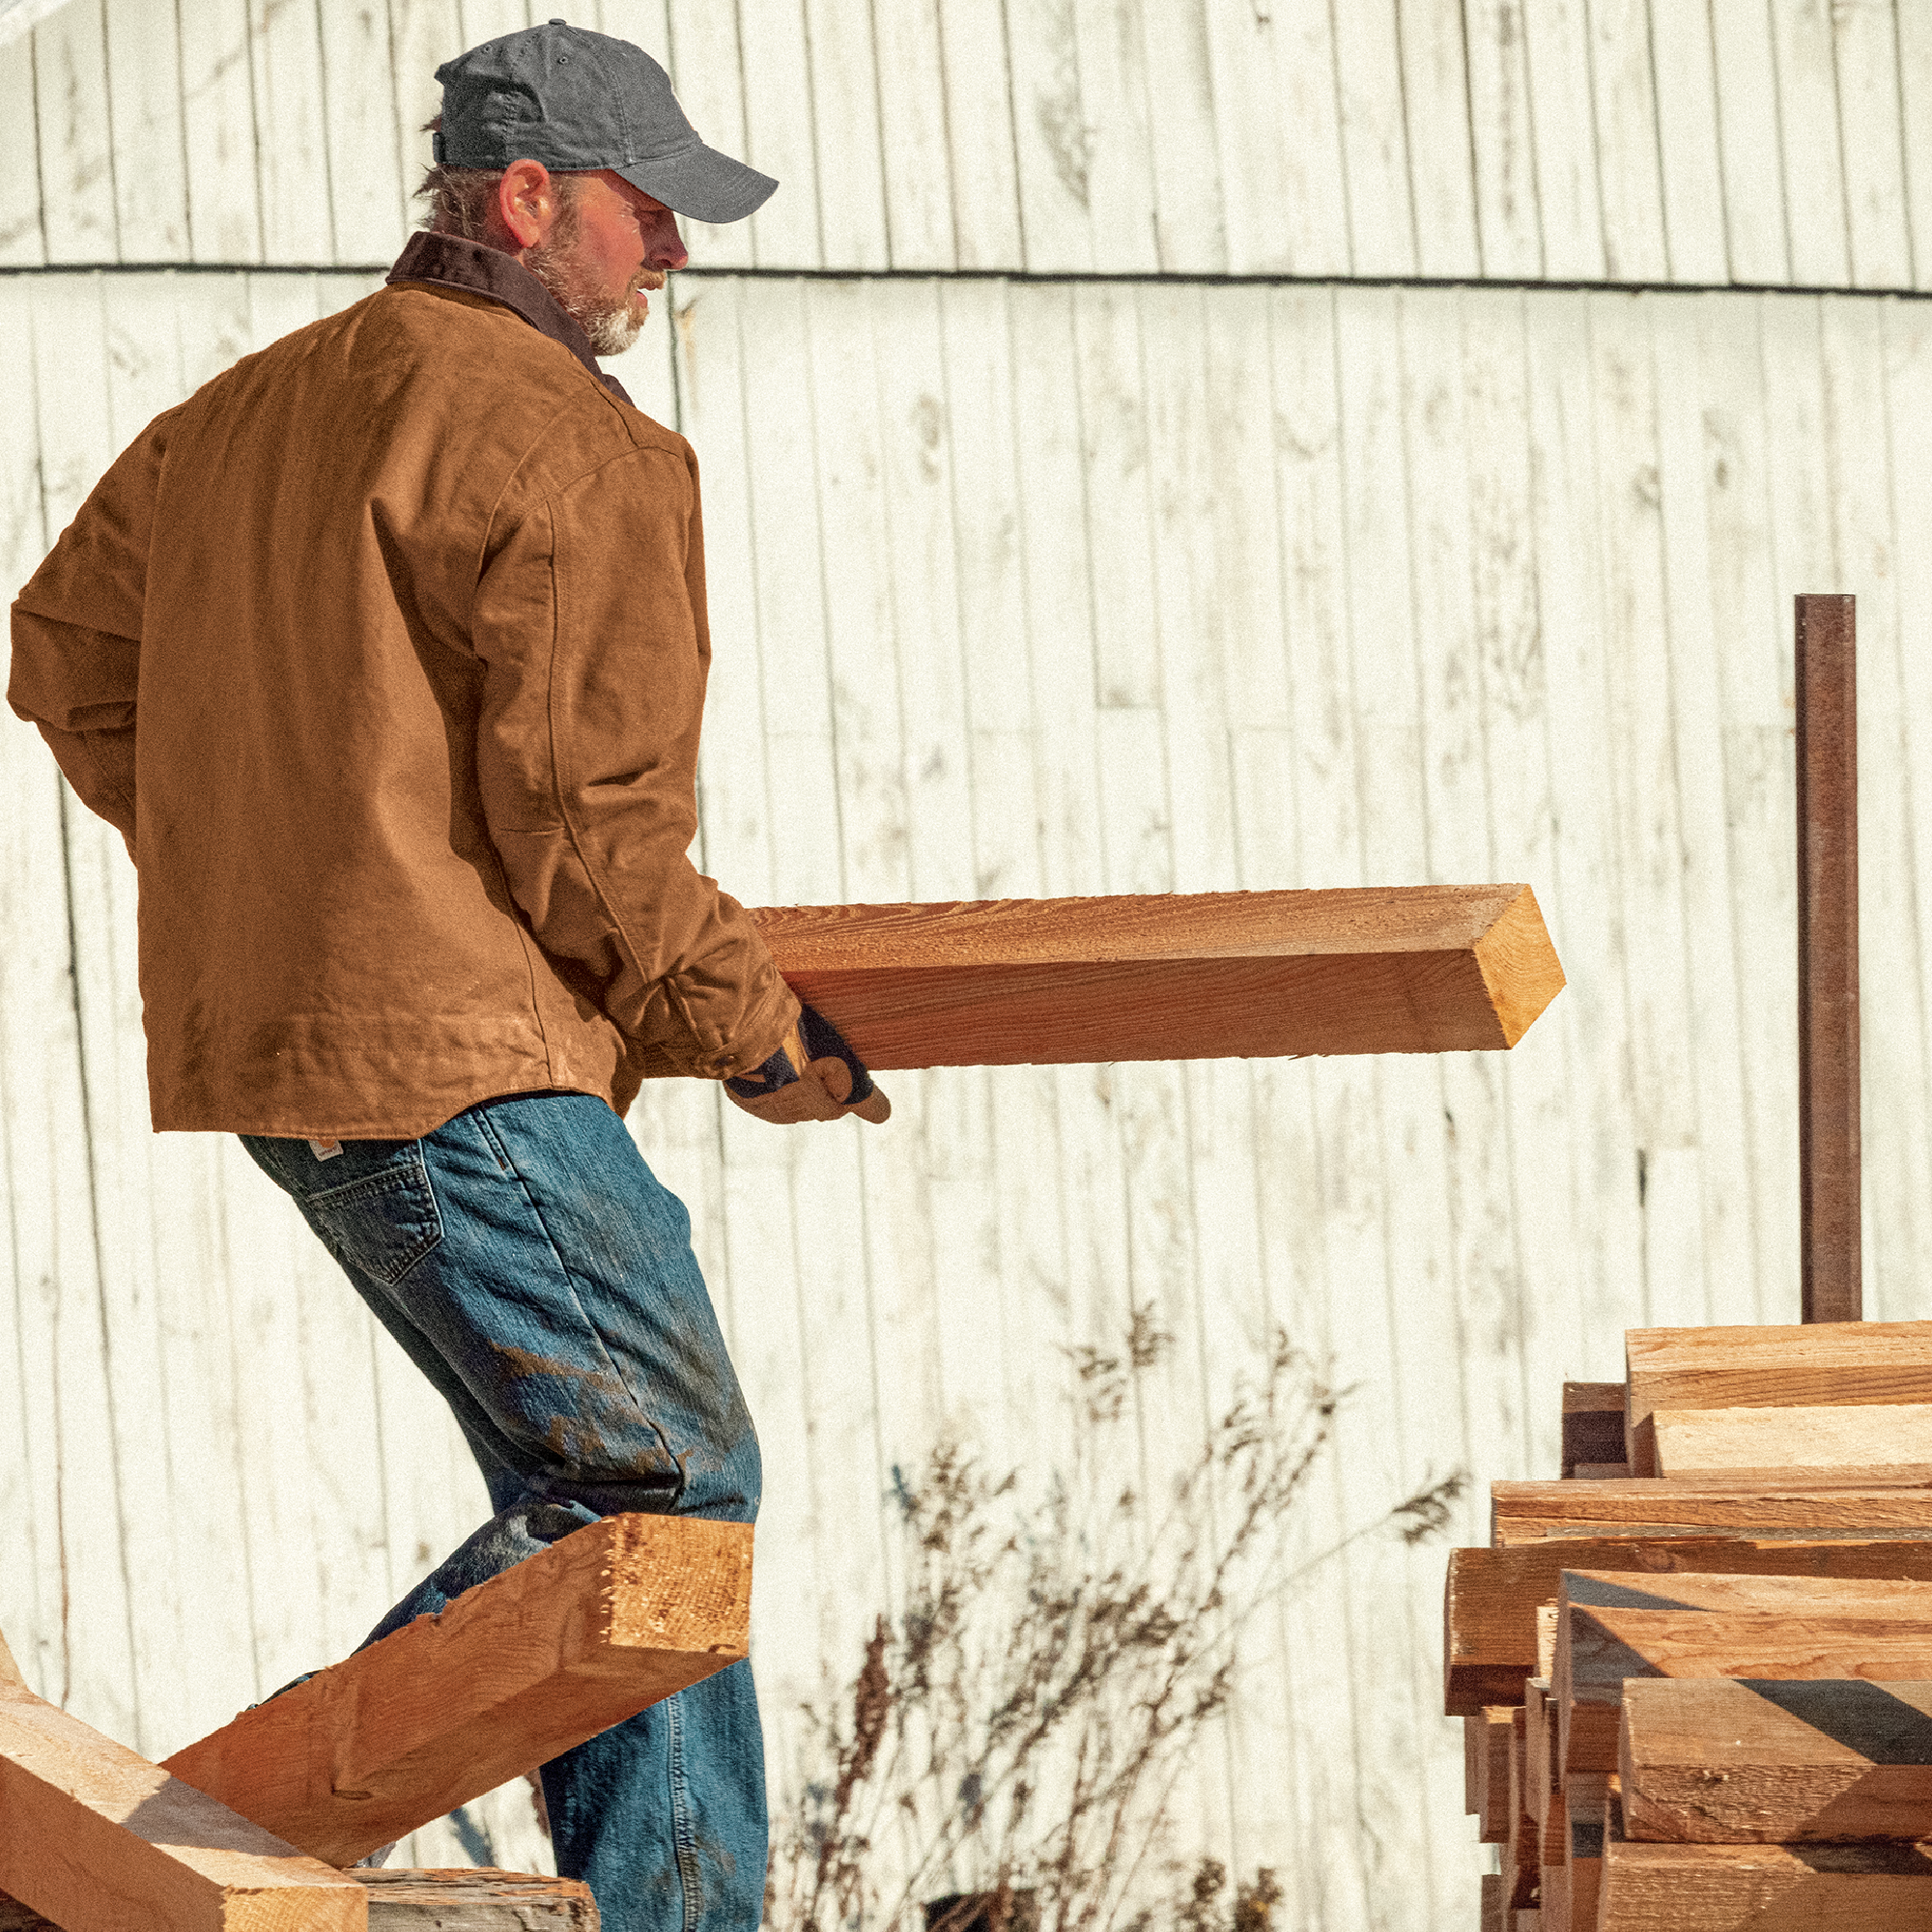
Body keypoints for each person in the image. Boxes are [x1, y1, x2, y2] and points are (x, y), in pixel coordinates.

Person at [6, 19, 885, 1931]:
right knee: (661, 1488)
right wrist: (758, 1032)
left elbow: (65, 654)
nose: (673, 255)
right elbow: (590, 826)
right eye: (648, 215)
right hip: (459, 1066)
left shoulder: (236, 417)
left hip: (298, 1063)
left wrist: (281, 863)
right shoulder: (570, 441)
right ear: (525, 202)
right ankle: (159, 1858)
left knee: (620, 1492)